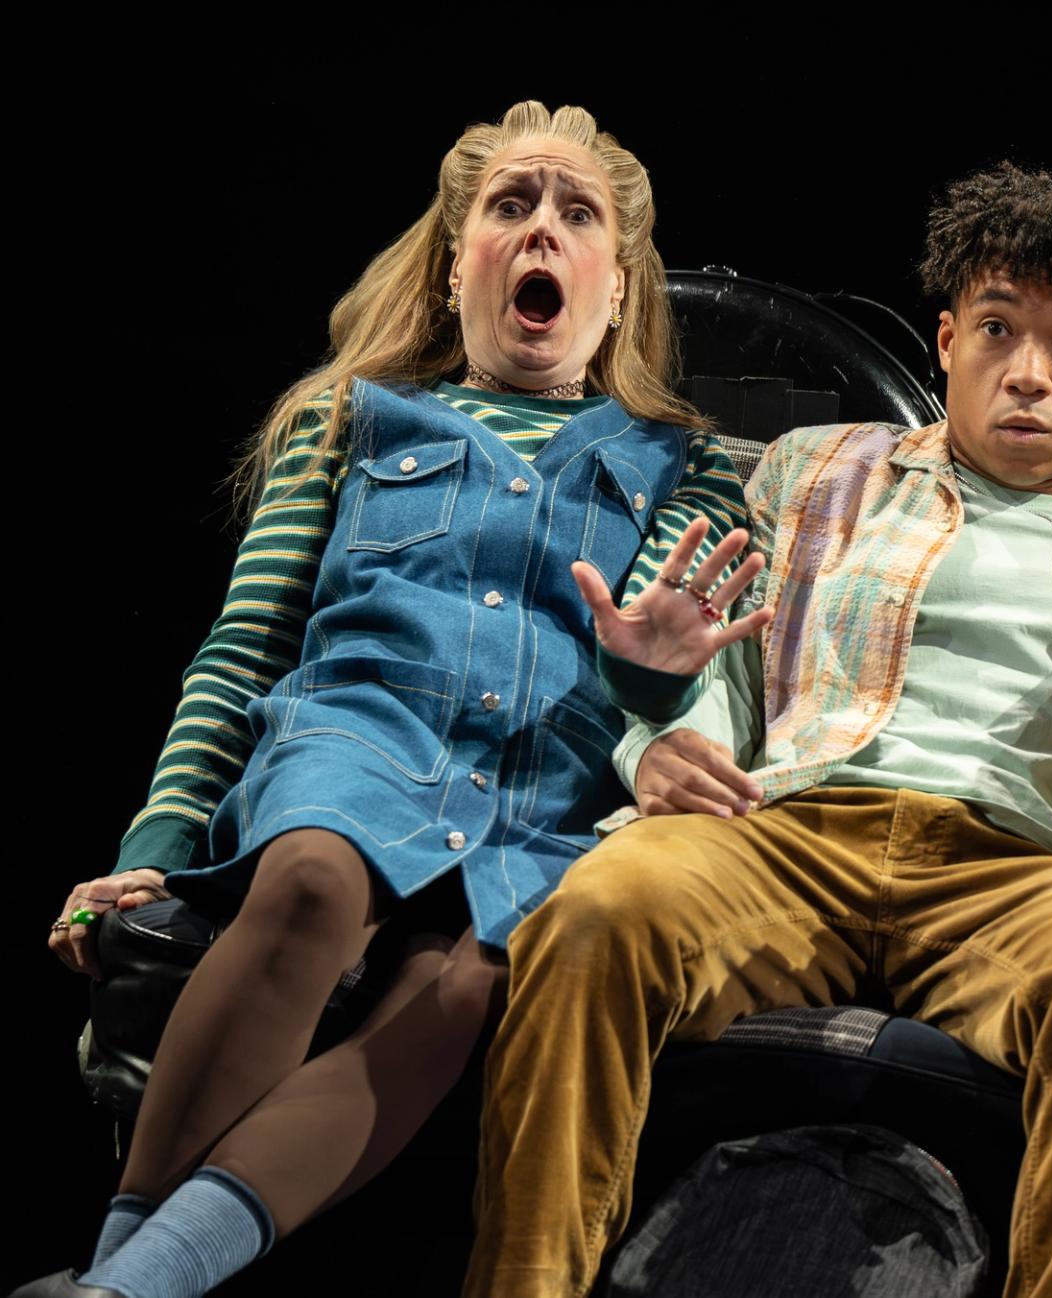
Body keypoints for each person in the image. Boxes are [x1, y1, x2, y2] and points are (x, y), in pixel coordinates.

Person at [465, 162, 1052, 1298]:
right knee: (595, 912)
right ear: (943, 337)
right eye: (996, 328)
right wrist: (654, 730)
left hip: (1026, 869)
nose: (1028, 370)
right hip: (789, 829)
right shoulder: (814, 469)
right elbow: (715, 678)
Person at [20, 102, 754, 1298]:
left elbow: (670, 694)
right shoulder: (348, 418)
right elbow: (242, 644)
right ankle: (130, 1274)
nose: (541, 233)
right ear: (457, 261)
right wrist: (153, 847)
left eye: (577, 216)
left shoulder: (691, 461)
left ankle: (115, 1286)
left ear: (615, 287)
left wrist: (651, 669)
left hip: (552, 792)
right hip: (362, 736)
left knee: (466, 981)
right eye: (510, 207)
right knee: (314, 874)